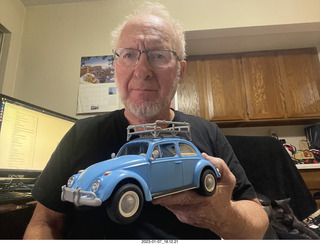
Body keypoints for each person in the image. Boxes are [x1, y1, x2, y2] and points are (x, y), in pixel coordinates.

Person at [24, 2, 268, 240]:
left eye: (158, 55)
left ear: (180, 71)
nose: (142, 70)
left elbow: (257, 227)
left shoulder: (208, 133)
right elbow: (44, 223)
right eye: (129, 55)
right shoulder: (81, 134)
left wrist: (223, 215)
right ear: (115, 66)